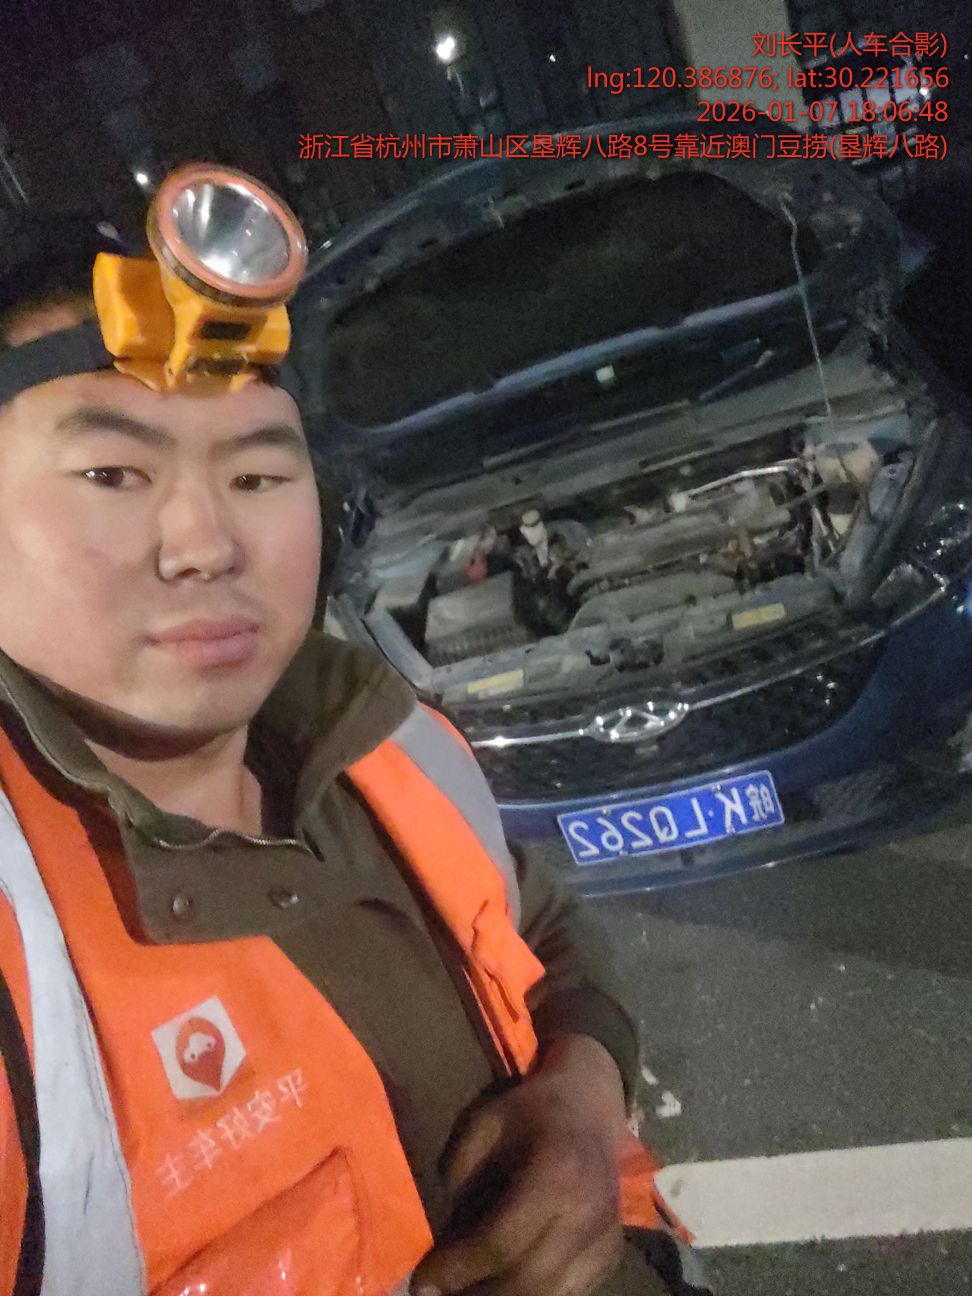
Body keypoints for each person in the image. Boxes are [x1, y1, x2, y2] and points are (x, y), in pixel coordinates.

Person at [0, 200, 707, 1296]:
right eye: (112, 475)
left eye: (256, 475)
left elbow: (540, 925)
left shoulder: (386, 737)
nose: (205, 544)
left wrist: (580, 1094)